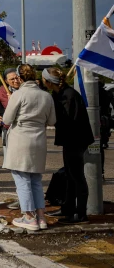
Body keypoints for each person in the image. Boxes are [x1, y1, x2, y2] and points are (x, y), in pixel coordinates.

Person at [2, 65, 56, 231]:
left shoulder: (18, 94)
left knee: (22, 179)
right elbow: (52, 121)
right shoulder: (47, 96)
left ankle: (29, 217)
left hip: (20, 139)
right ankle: (41, 216)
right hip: (39, 139)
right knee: (36, 180)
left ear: (20, 77)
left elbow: (7, 118)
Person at [42, 67, 94, 223]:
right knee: (70, 176)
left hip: (76, 140)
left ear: (49, 81)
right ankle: (68, 208)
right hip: (71, 140)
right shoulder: (60, 93)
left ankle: (81, 214)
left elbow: (68, 120)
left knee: (77, 177)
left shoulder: (68, 96)